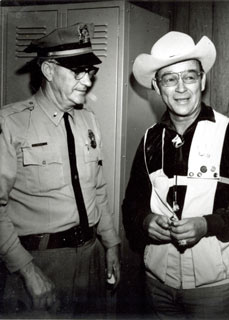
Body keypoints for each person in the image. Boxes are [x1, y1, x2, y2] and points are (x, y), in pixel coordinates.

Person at [122, 31, 229, 319]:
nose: (181, 88)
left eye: (189, 77)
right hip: (158, 285)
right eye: (170, 79)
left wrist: (207, 225)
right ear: (157, 86)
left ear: (202, 81)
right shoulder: (149, 140)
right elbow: (131, 206)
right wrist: (145, 221)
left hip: (214, 289)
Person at [0, 23, 121, 317]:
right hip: (41, 260)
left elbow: (98, 190)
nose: (87, 81)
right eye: (77, 71)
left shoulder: (88, 121)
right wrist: (28, 270)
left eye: (89, 72)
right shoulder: (11, 124)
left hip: (91, 255)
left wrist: (111, 244)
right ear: (49, 70)